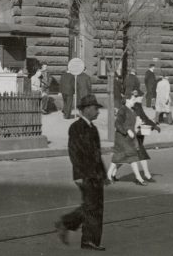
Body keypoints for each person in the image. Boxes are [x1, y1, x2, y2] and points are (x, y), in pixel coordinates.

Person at [55, 94, 109, 251]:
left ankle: (87, 239)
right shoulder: (76, 127)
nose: (98, 112)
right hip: (85, 174)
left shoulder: (93, 128)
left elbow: (97, 155)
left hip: (95, 175)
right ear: (86, 110)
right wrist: (79, 174)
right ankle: (69, 226)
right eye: (95, 108)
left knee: (94, 207)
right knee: (91, 207)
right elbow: (74, 153)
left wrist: (103, 175)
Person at [107, 90, 147, 185]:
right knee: (131, 157)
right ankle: (139, 178)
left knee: (120, 158)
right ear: (127, 100)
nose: (134, 101)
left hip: (129, 139)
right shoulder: (123, 110)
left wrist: (139, 124)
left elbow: (131, 124)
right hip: (122, 138)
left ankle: (110, 175)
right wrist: (127, 131)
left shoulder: (132, 111)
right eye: (133, 99)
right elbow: (117, 123)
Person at [132, 91, 160, 183]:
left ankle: (111, 174)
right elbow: (144, 117)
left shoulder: (134, 105)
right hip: (135, 134)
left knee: (124, 156)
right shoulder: (137, 105)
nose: (142, 98)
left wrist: (152, 125)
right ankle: (147, 175)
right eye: (141, 96)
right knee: (142, 154)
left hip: (135, 133)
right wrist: (154, 126)